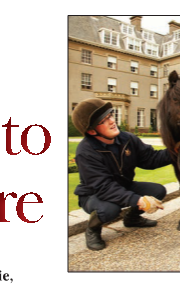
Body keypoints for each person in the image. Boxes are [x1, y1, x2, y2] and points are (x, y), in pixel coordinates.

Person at [72, 99, 173, 251]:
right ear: (92, 131)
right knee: (109, 209)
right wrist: (139, 200)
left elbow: (151, 159)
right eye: (103, 121)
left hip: (123, 185)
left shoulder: (127, 139)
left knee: (158, 191)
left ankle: (132, 219)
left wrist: (175, 150)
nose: (112, 121)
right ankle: (92, 230)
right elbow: (104, 187)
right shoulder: (85, 152)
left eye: (110, 116)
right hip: (94, 195)